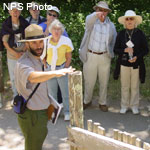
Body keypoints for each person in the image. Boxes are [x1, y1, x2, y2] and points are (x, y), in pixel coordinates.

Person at [14, 24, 74, 150]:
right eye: (34, 43)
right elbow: (33, 77)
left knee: (37, 141)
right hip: (32, 114)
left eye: (40, 41)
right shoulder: (24, 62)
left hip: (40, 112)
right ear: (27, 44)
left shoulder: (37, 58)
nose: (39, 46)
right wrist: (55, 73)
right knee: (33, 145)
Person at [79, 1, 117, 111]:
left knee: (104, 81)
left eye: (105, 10)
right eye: (100, 9)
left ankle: (102, 102)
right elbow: (87, 19)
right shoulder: (91, 22)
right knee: (89, 81)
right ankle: (87, 101)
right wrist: (96, 15)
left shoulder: (111, 26)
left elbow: (113, 40)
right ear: (96, 10)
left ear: (107, 12)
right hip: (91, 55)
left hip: (105, 57)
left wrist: (110, 52)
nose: (102, 12)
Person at [113, 10, 149, 114]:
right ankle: (124, 105)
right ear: (124, 21)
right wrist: (124, 50)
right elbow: (115, 49)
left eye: (131, 18)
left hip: (136, 65)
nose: (129, 21)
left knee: (135, 86)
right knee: (124, 86)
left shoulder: (140, 34)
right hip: (123, 64)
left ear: (135, 21)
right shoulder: (120, 34)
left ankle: (134, 106)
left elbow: (146, 50)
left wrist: (137, 57)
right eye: (127, 19)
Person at [42, 19, 73, 121]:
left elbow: (69, 57)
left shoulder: (66, 41)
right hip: (50, 69)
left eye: (59, 29)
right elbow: (43, 55)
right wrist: (45, 66)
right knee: (52, 93)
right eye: (54, 29)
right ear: (51, 30)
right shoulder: (46, 40)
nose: (56, 31)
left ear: (61, 31)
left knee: (65, 92)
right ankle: (54, 112)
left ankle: (67, 112)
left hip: (61, 68)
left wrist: (65, 68)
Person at [0, 2, 29, 103]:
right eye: (13, 10)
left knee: (24, 76)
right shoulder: (6, 24)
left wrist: (23, 51)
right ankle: (16, 98)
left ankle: (25, 96)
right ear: (9, 11)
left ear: (20, 11)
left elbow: (28, 40)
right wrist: (15, 53)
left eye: (17, 10)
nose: (15, 12)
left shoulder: (25, 23)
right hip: (12, 54)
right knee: (13, 77)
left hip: (24, 53)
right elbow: (5, 42)